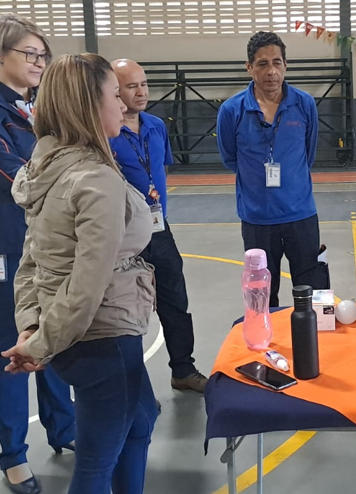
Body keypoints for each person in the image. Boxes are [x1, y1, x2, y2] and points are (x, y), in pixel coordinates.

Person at [2, 53, 159, 494]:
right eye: (115, 95)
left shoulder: (45, 169)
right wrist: (39, 343)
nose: (124, 106)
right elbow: (87, 285)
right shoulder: (95, 181)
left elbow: (31, 260)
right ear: (90, 105)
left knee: (141, 418)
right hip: (101, 337)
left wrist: (32, 326)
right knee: (95, 462)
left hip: (81, 336)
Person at [0, 13, 74, 494]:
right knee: (13, 343)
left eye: (42, 55)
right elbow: (17, 178)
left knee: (52, 337)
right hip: (1, 247)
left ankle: (64, 430)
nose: (38, 62)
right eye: (29, 53)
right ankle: (13, 456)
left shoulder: (42, 107)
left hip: (44, 244)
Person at [109, 59, 208, 393]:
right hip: (124, 233)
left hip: (158, 227)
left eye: (144, 84)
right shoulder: (106, 132)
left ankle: (184, 369)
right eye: (131, 85)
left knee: (175, 298)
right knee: (127, 307)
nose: (141, 92)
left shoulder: (155, 125)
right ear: (114, 91)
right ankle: (132, 386)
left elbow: (160, 172)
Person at [216, 31, 329, 307]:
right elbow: (230, 158)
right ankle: (267, 347)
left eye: (277, 63)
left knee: (313, 294)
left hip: (301, 216)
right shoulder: (231, 111)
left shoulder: (304, 104)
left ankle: (317, 345)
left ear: (285, 66)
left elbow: (308, 153)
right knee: (262, 299)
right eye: (262, 63)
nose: (271, 71)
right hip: (257, 220)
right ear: (249, 67)